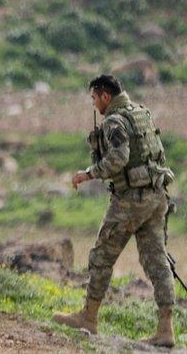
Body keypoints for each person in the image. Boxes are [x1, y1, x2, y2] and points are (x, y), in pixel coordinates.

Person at [53, 75, 176, 348]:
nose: (94, 104)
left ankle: (89, 317)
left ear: (105, 96)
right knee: (158, 262)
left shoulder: (114, 120)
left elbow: (119, 158)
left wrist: (89, 174)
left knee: (101, 256)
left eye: (94, 99)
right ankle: (166, 329)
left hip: (130, 201)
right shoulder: (141, 113)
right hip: (156, 197)